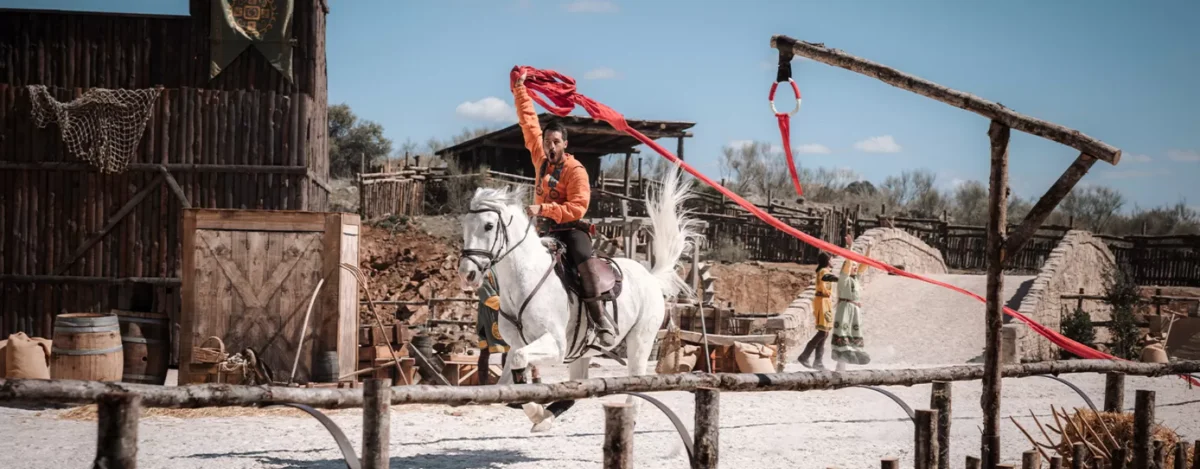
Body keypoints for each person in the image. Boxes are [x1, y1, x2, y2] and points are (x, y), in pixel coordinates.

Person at [511, 71, 617, 347]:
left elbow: (578, 208)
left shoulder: (575, 170)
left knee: (583, 260)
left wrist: (544, 208)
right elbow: (528, 122)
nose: (550, 146)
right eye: (547, 142)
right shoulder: (539, 158)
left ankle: (600, 318)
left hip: (570, 229)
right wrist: (520, 90)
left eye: (556, 142)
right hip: (543, 230)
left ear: (565, 144)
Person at [831, 239, 872, 371]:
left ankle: (855, 350)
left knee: (854, 330)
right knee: (844, 329)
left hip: (855, 309)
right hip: (845, 308)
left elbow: (864, 265)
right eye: (853, 266)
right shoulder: (844, 278)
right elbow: (849, 263)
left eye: (855, 265)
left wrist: (869, 249)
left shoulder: (856, 278)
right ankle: (843, 353)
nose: (855, 267)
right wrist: (850, 247)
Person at [796, 249, 839, 370]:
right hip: (822, 302)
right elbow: (827, 277)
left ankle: (818, 361)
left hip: (826, 302)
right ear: (827, 260)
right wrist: (840, 279)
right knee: (822, 332)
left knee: (825, 333)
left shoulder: (825, 270)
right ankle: (804, 356)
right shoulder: (823, 271)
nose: (833, 261)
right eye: (831, 259)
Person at [475, 267, 508, 386]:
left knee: (509, 351)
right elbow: (486, 294)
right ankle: (483, 385)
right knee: (485, 351)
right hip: (488, 314)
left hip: (508, 316)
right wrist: (509, 306)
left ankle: (508, 384)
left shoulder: (506, 268)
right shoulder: (484, 271)